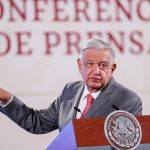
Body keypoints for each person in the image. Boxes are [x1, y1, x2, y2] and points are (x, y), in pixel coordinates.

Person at [0, 38, 142, 134]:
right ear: (80, 66)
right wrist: (6, 98)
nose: (96, 71)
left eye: (103, 65)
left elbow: (128, 143)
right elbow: (38, 123)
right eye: (90, 64)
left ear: (113, 68)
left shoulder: (128, 100)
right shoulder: (70, 90)